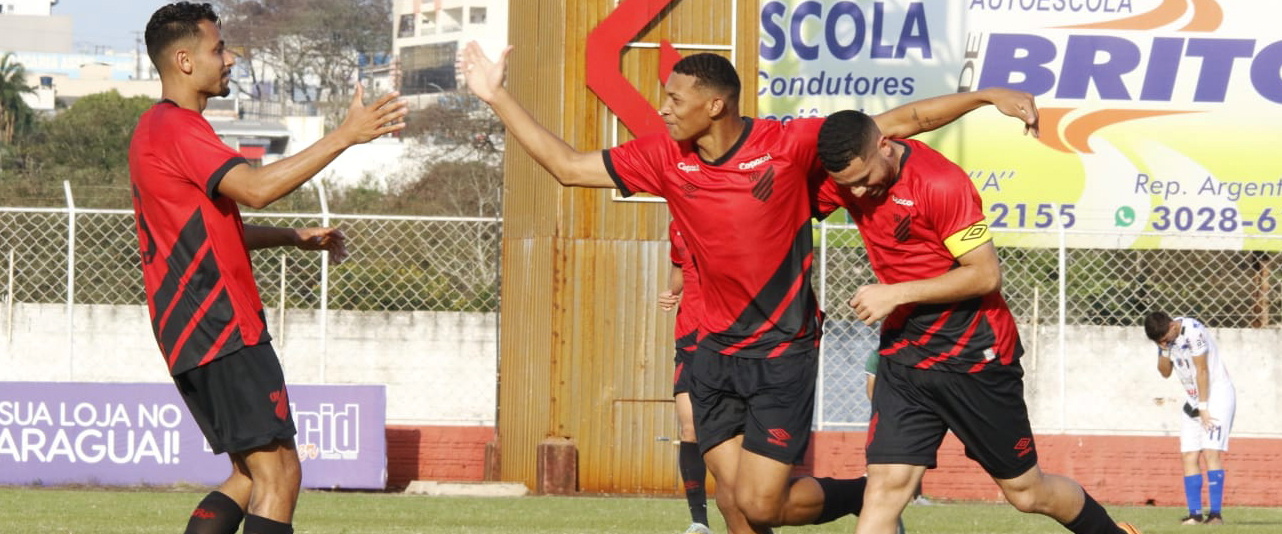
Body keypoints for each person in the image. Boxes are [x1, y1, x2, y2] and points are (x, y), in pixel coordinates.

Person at [458, 42, 1037, 534]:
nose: (663, 110)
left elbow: (899, 123)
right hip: (709, 352)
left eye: (675, 100)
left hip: (780, 351)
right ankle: (874, 499)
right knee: (733, 504)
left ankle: (868, 497)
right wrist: (496, 96)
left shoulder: (786, 146)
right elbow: (567, 166)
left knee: (761, 503)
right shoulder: (664, 157)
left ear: (716, 105)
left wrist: (985, 97)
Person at [130, 4, 406, 534]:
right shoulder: (180, 129)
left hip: (190, 332)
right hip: (223, 326)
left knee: (247, 474)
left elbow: (206, 233)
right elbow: (255, 190)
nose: (230, 58)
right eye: (219, 49)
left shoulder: (152, 130)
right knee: (280, 474)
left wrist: (291, 237)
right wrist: (345, 135)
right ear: (184, 61)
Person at [813, 110, 1140, 534]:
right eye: (847, 185)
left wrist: (896, 292)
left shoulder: (941, 183)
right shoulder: (848, 178)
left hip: (976, 358)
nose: (856, 191)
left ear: (884, 145)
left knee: (1027, 493)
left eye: (864, 177)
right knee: (884, 487)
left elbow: (985, 274)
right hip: (906, 358)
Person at [1143, 312, 1236, 526]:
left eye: (1166, 338)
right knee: (1188, 455)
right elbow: (1164, 372)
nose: (1164, 342)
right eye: (1160, 342)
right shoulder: (1164, 339)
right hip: (1193, 399)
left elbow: (1202, 370)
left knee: (1211, 452)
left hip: (1216, 396)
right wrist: (1164, 350)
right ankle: (1195, 514)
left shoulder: (1193, 331)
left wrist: (1204, 408)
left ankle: (1215, 515)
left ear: (1173, 325)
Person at [659, 222, 712, 534]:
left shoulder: (728, 210)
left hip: (730, 338)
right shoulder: (677, 225)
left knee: (736, 433)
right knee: (690, 426)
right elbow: (679, 270)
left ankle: (751, 513)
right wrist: (671, 293)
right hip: (689, 337)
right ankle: (699, 521)